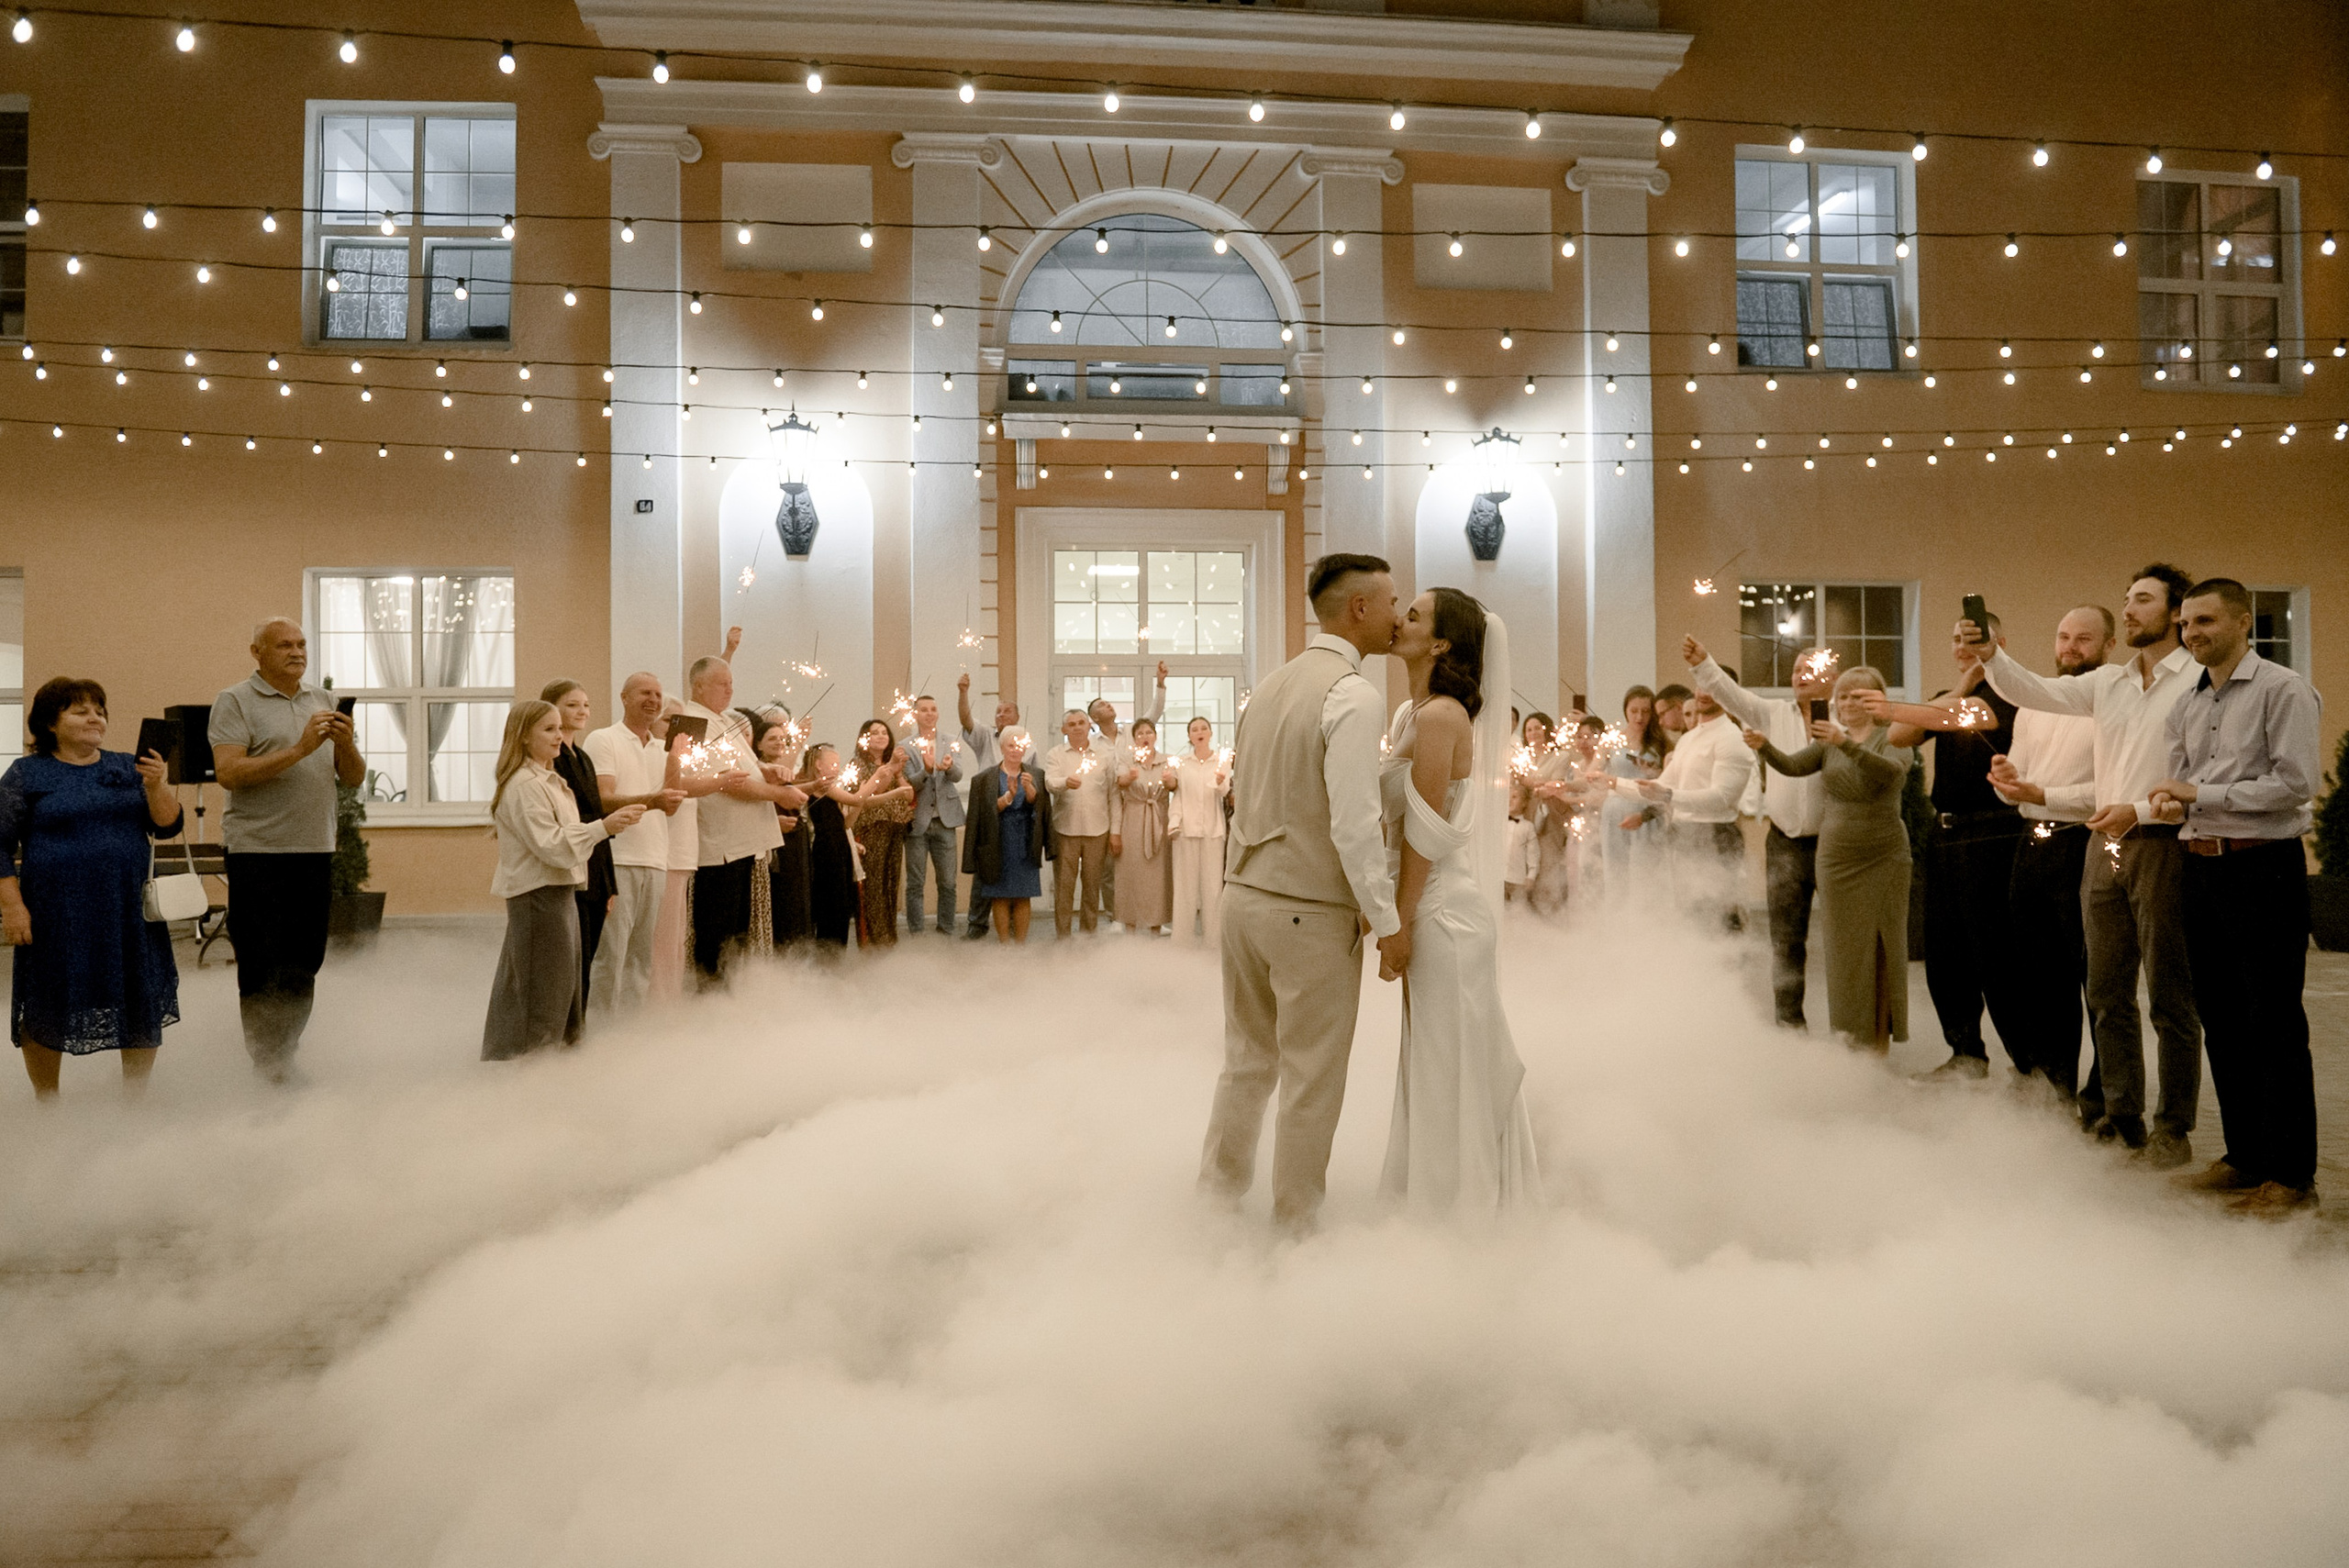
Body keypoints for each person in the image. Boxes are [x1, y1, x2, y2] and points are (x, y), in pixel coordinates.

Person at [1199, 553, 1408, 1234]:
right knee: (1312, 1076)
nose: (1397, 614)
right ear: (1359, 609)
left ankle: (1216, 1203)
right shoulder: (1353, 693)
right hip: (1307, 909)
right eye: (1390, 602)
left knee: (1245, 1064)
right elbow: (1354, 825)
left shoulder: (1269, 684)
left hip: (1242, 896)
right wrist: (1387, 918)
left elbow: (1245, 793)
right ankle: (1295, 1227)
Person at [1976, 564, 2201, 1165]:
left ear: (2176, 613)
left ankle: (2172, 1128)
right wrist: (1991, 653)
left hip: (2162, 841)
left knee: (2169, 995)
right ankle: (2119, 1116)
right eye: (2126, 599)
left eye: (2143, 600)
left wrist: (2143, 806)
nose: (2129, 609)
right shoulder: (2109, 681)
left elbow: (2204, 771)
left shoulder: (2197, 680)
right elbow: (2031, 691)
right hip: (2106, 843)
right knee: (2105, 989)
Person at [2149, 579, 2324, 1216]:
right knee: (2221, 1019)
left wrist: (2201, 796)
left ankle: (2293, 1175)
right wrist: (2171, 798)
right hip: (2201, 868)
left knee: (2273, 1022)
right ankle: (2245, 1154)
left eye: (2205, 620)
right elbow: (2181, 781)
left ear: (2243, 622)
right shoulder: (2188, 701)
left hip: (2262, 870)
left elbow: (2296, 783)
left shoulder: (2282, 689)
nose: (2192, 632)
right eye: (2186, 623)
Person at [1376, 588, 1541, 1214]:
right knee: (1431, 1065)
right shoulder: (1408, 714)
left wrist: (1398, 920)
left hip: (1444, 914)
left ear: (1441, 642)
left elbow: (1425, 830)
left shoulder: (1442, 716)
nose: (1400, 620)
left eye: (1413, 615)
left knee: (1453, 1070)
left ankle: (1462, 1209)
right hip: (1423, 903)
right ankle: (1431, 1198)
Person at [0, 678, 185, 1098]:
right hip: (55, 912)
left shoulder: (127, 766)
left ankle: (135, 1100)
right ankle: (46, 1102)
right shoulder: (27, 773)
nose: (94, 717)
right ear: (50, 722)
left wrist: (157, 785)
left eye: (99, 710)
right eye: (80, 710)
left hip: (125, 908)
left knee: (138, 995)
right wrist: (12, 907)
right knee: (47, 999)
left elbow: (167, 825)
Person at [1867, 619, 2030, 1082]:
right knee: (1945, 950)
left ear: (2001, 642)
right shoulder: (1950, 694)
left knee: (1994, 953)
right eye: (1956, 638)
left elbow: (1960, 716)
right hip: (1945, 834)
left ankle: (2027, 1062)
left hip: (1991, 835)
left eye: (1973, 639)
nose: (1962, 646)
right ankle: (1966, 1054)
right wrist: (1959, 683)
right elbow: (1899, 735)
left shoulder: (2012, 695)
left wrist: (1954, 692)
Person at [209, 617, 364, 1084]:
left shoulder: (324, 700)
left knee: (304, 960)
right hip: (258, 851)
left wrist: (346, 743)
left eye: (301, 644)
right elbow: (230, 773)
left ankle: (285, 1053)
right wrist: (299, 749)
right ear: (257, 652)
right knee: (261, 961)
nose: (296, 652)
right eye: (283, 645)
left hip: (314, 848)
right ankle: (265, 1061)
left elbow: (353, 778)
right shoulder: (235, 701)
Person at [1744, 668, 1914, 1051]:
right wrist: (1763, 746)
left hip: (1884, 855)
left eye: (1860, 696)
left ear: (1878, 700)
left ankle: (1878, 1041)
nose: (1849, 702)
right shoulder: (1827, 740)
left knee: (1883, 946)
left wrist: (1846, 744)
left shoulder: (1895, 735)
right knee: (1842, 951)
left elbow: (1890, 775)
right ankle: (1849, 1039)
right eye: (1844, 696)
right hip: (1837, 857)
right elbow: (1792, 767)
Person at [1986, 608, 2110, 1106]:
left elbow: (2112, 787)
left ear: (2109, 645)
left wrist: (2042, 791)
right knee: (2040, 974)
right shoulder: (2034, 703)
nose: (2071, 647)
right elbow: (2019, 791)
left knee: (2094, 977)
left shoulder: (2109, 699)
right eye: (2063, 637)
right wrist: (2007, 779)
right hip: (2030, 843)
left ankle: (2103, 1094)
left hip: (2083, 841)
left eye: (2084, 638)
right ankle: (2055, 1085)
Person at [483, 701, 646, 1060]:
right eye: (549, 729)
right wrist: (605, 826)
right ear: (524, 737)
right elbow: (552, 846)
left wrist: (600, 830)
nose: (560, 736)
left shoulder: (552, 781)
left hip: (560, 894)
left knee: (564, 991)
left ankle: (557, 1072)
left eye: (559, 728)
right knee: (543, 994)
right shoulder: (524, 786)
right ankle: (531, 1075)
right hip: (537, 896)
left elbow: (567, 839)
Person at [1683, 636, 1831, 1029]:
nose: (1801, 675)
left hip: (1834, 844)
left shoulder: (1839, 717)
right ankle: (1789, 1024)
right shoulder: (1772, 714)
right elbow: (1733, 697)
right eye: (1797, 669)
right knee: (1786, 940)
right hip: (1784, 842)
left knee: (1842, 940)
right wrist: (1704, 665)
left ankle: (1850, 1029)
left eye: (1810, 669)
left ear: (1830, 678)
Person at [679, 656, 791, 985]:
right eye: (721, 683)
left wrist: (767, 770)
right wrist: (780, 795)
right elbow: (729, 782)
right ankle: (710, 997)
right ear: (698, 686)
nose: (730, 689)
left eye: (731, 683)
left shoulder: (720, 720)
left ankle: (730, 996)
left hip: (741, 844)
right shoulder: (692, 721)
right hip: (721, 847)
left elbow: (745, 767)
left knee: (737, 931)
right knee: (718, 930)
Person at [582, 673, 688, 1010]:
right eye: (645, 693)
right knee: (610, 954)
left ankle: (632, 1034)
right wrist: (653, 801)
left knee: (642, 958)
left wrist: (676, 759)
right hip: (619, 858)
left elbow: (669, 806)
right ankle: (601, 1031)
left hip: (656, 860)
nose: (653, 700)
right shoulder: (604, 739)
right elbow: (601, 798)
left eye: (658, 694)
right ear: (624, 697)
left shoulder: (661, 748)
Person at [1631, 678, 1753, 929]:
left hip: (1715, 832)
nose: (1704, 693)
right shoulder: (1688, 740)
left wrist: (1667, 795)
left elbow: (1719, 797)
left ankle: (1728, 965)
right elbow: (1663, 787)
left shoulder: (1729, 738)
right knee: (1689, 910)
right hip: (1685, 831)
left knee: (1721, 912)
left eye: (1713, 687)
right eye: (1700, 687)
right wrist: (1610, 784)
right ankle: (1697, 964)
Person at [540, 680, 619, 1011]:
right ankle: (567, 1031)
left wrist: (610, 883)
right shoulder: (551, 760)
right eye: (572, 705)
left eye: (585, 705)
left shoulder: (583, 757)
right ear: (551, 709)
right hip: (571, 868)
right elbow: (576, 819)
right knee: (573, 959)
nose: (582, 711)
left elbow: (599, 817)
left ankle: (578, 1027)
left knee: (588, 958)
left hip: (596, 869)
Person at [963, 727, 1051, 943]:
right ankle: (1004, 943)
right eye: (1010, 745)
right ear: (1002, 748)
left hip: (1025, 841)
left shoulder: (1037, 774)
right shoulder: (984, 778)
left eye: (1019, 745)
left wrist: (1031, 795)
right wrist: (1008, 797)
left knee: (1023, 894)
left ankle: (1020, 944)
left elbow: (1043, 812)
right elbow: (980, 815)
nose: (1015, 750)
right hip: (997, 840)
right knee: (1000, 894)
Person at [958, 673, 1028, 940]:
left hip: (1017, 816)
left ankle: (1011, 927)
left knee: (1013, 871)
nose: (1001, 715)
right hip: (989, 813)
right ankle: (977, 925)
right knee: (984, 870)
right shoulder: (986, 735)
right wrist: (964, 692)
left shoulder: (1025, 744)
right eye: (998, 711)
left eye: (1006, 711)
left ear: (1017, 717)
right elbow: (966, 719)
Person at [1044, 708, 1114, 936]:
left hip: (1098, 829)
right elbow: (1049, 782)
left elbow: (1113, 793)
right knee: (1064, 887)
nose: (1076, 727)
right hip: (1066, 829)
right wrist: (1065, 782)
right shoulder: (1056, 754)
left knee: (1092, 887)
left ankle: (1088, 934)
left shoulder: (1103, 754)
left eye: (1081, 723)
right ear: (1064, 729)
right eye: (1071, 724)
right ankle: (1063, 936)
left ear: (1089, 726)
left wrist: (1115, 831)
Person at [899, 695, 964, 937]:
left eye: (933, 709)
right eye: (923, 710)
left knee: (948, 882)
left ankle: (945, 928)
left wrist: (949, 767)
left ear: (938, 713)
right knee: (915, 882)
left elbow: (958, 776)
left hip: (945, 820)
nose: (929, 713)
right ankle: (916, 931)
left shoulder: (950, 741)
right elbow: (908, 784)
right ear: (915, 714)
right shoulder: (905, 746)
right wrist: (926, 770)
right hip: (918, 821)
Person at [848, 719, 916, 949]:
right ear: (864, 739)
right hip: (871, 830)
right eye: (874, 733)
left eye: (884, 732)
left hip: (894, 829)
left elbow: (907, 796)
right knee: (872, 886)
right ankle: (872, 940)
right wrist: (890, 771)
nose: (880, 736)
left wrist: (897, 771)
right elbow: (871, 793)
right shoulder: (857, 764)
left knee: (889, 884)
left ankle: (888, 938)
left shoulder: (892, 763)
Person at [1167, 717, 1230, 945]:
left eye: (1204, 728)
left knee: (1213, 888)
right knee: (1184, 888)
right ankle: (1181, 941)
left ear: (1210, 733)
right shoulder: (1182, 764)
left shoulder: (1221, 761)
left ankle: (1213, 941)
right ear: (1189, 736)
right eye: (1194, 729)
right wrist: (1174, 822)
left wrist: (1222, 781)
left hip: (1213, 830)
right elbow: (1178, 796)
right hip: (1186, 830)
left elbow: (1223, 792)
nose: (1199, 732)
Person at [752, 715, 814, 947]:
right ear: (758, 744)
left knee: (799, 897)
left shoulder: (785, 770)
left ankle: (799, 949)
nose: (779, 742)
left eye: (782, 738)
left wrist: (814, 786)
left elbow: (790, 787)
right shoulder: (761, 772)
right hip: (773, 846)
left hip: (794, 838)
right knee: (782, 900)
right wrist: (799, 740)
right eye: (772, 739)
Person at [1600, 685, 1668, 899]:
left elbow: (1669, 781)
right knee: (1615, 871)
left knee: (1645, 873)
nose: (1639, 717)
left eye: (1645, 711)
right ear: (1625, 711)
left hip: (1645, 812)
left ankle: (1644, 923)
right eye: (1634, 711)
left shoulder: (1661, 743)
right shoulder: (1612, 740)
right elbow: (1593, 771)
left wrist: (1653, 770)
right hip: (1614, 811)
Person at [1110, 717, 1174, 934]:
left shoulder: (1167, 761)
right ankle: (1130, 925)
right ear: (1134, 738)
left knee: (1158, 876)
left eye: (1149, 733)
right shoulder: (1127, 760)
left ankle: (1156, 924)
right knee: (1131, 873)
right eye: (1140, 734)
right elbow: (1119, 784)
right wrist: (1129, 777)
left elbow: (1176, 785)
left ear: (1155, 736)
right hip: (1134, 821)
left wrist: (1170, 782)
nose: (1145, 737)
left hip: (1159, 819)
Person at [796, 743, 860, 949]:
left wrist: (860, 802)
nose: (837, 768)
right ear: (817, 765)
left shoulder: (832, 789)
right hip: (826, 852)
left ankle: (837, 951)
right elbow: (856, 798)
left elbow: (847, 822)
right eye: (832, 764)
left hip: (840, 849)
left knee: (842, 903)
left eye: (838, 764)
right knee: (830, 903)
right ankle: (828, 952)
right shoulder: (821, 788)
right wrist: (876, 782)